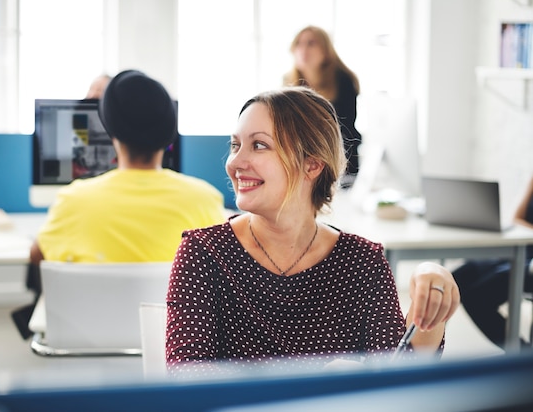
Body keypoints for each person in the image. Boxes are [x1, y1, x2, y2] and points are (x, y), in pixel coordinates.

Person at [165, 86, 459, 375]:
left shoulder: (362, 262)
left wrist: (434, 298)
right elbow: (187, 376)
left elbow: (396, 378)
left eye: (258, 145)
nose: (236, 163)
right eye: (235, 145)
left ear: (312, 164)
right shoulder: (204, 253)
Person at [12, 70, 226, 339]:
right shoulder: (204, 199)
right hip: (174, 345)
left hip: (88, 344)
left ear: (110, 130)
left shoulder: (74, 200)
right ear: (169, 133)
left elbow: (38, 256)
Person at [452, 175, 533, 349]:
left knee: (476, 297)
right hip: (523, 249)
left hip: (530, 263)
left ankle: (521, 354)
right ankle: (428, 350)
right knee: (455, 279)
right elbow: (517, 219)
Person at [283, 26, 362, 182]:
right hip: (302, 163)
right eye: (299, 43)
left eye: (311, 43)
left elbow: (344, 130)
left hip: (340, 161)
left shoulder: (343, 81)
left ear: (325, 51)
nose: (303, 49)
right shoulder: (288, 83)